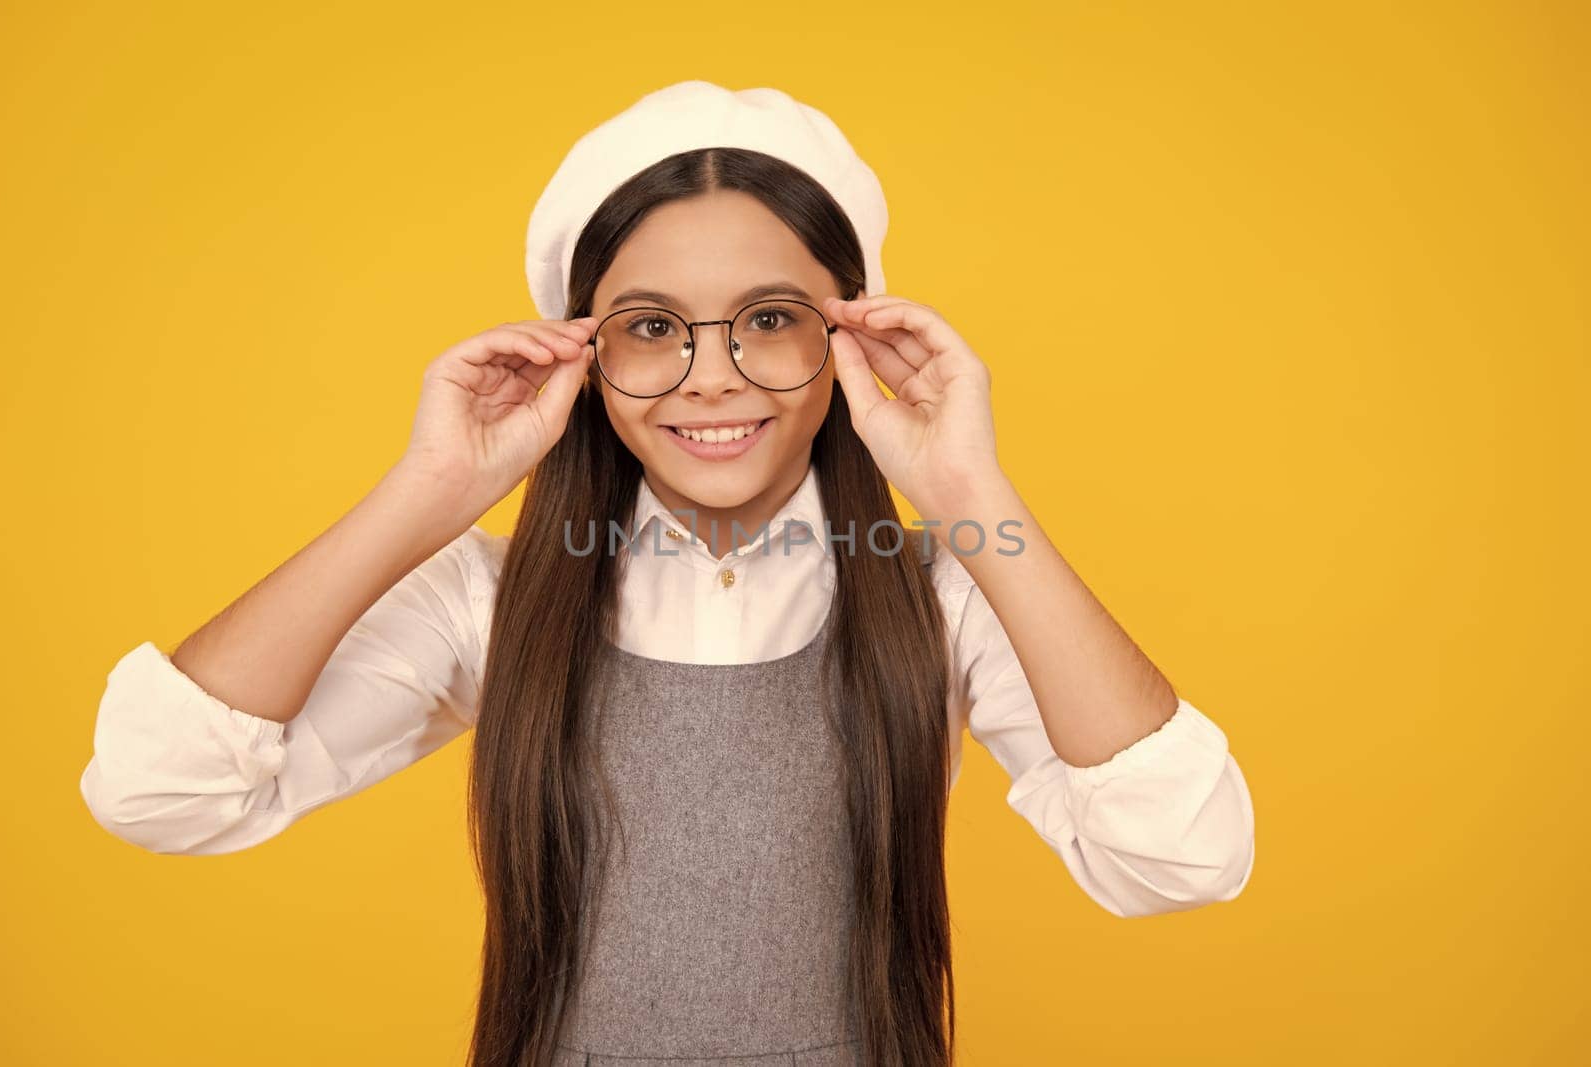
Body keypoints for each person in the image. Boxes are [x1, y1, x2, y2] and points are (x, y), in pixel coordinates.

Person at [79, 81, 1255, 1067]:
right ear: (580, 357)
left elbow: (1180, 857)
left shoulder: (940, 595)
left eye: (770, 317)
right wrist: (425, 493)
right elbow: (160, 788)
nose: (711, 377)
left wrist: (973, 494)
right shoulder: (486, 602)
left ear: (849, 336)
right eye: (650, 327)